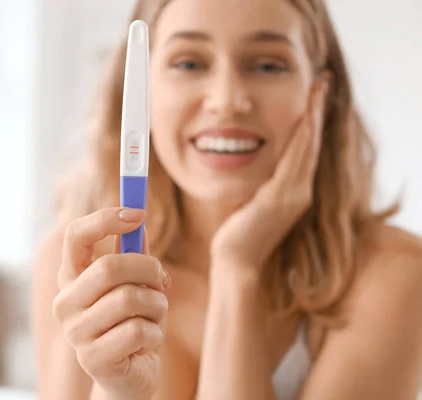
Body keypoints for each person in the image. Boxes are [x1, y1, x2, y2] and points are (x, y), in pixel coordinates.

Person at [31, 0, 422, 398]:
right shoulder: (82, 269)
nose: (227, 99)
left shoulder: (394, 274)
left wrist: (237, 268)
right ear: (139, 90)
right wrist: (120, 392)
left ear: (320, 94)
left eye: (268, 65)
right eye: (188, 63)